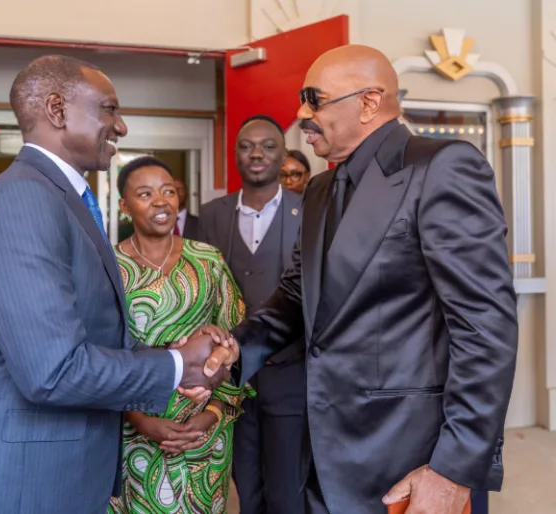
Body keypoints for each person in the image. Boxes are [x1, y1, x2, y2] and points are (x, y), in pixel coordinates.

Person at [206, 44, 518, 514]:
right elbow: (298, 293)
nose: (301, 113)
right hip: (323, 454)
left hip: (410, 457)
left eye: (314, 98)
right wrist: (236, 347)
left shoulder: (442, 167)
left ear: (369, 103)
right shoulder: (318, 189)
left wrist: (455, 468)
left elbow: (486, 330)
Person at [0, 55, 232, 514]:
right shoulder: (25, 199)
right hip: (15, 480)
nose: (120, 127)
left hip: (48, 471)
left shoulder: (61, 197)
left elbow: (86, 336)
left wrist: (178, 354)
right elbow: (53, 370)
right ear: (58, 111)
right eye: (109, 109)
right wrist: (177, 366)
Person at [108, 156, 253, 514]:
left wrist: (213, 415)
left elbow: (238, 345)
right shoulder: (108, 268)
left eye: (168, 191)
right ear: (124, 206)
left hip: (204, 438)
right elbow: (100, 356)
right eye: (145, 194)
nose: (161, 201)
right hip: (134, 434)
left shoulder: (208, 261)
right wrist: (140, 420)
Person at [197, 115, 306, 514]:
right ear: (236, 154)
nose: (256, 153)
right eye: (246, 146)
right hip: (228, 378)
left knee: (287, 490)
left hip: (292, 372)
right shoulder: (210, 215)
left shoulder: (309, 210)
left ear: (284, 156)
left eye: (267, 146)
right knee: (244, 486)